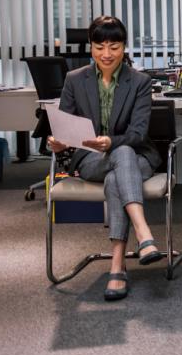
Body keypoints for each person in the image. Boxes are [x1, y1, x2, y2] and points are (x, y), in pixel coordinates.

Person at [49, 16, 164, 301]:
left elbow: (138, 134)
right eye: (99, 46)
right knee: (119, 157)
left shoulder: (140, 82)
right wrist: (58, 143)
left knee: (118, 167)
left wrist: (111, 142)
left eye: (114, 46)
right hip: (91, 159)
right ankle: (143, 233)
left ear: (124, 47)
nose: (107, 54)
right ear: (91, 47)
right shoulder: (75, 80)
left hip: (137, 155)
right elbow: (64, 127)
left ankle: (117, 265)